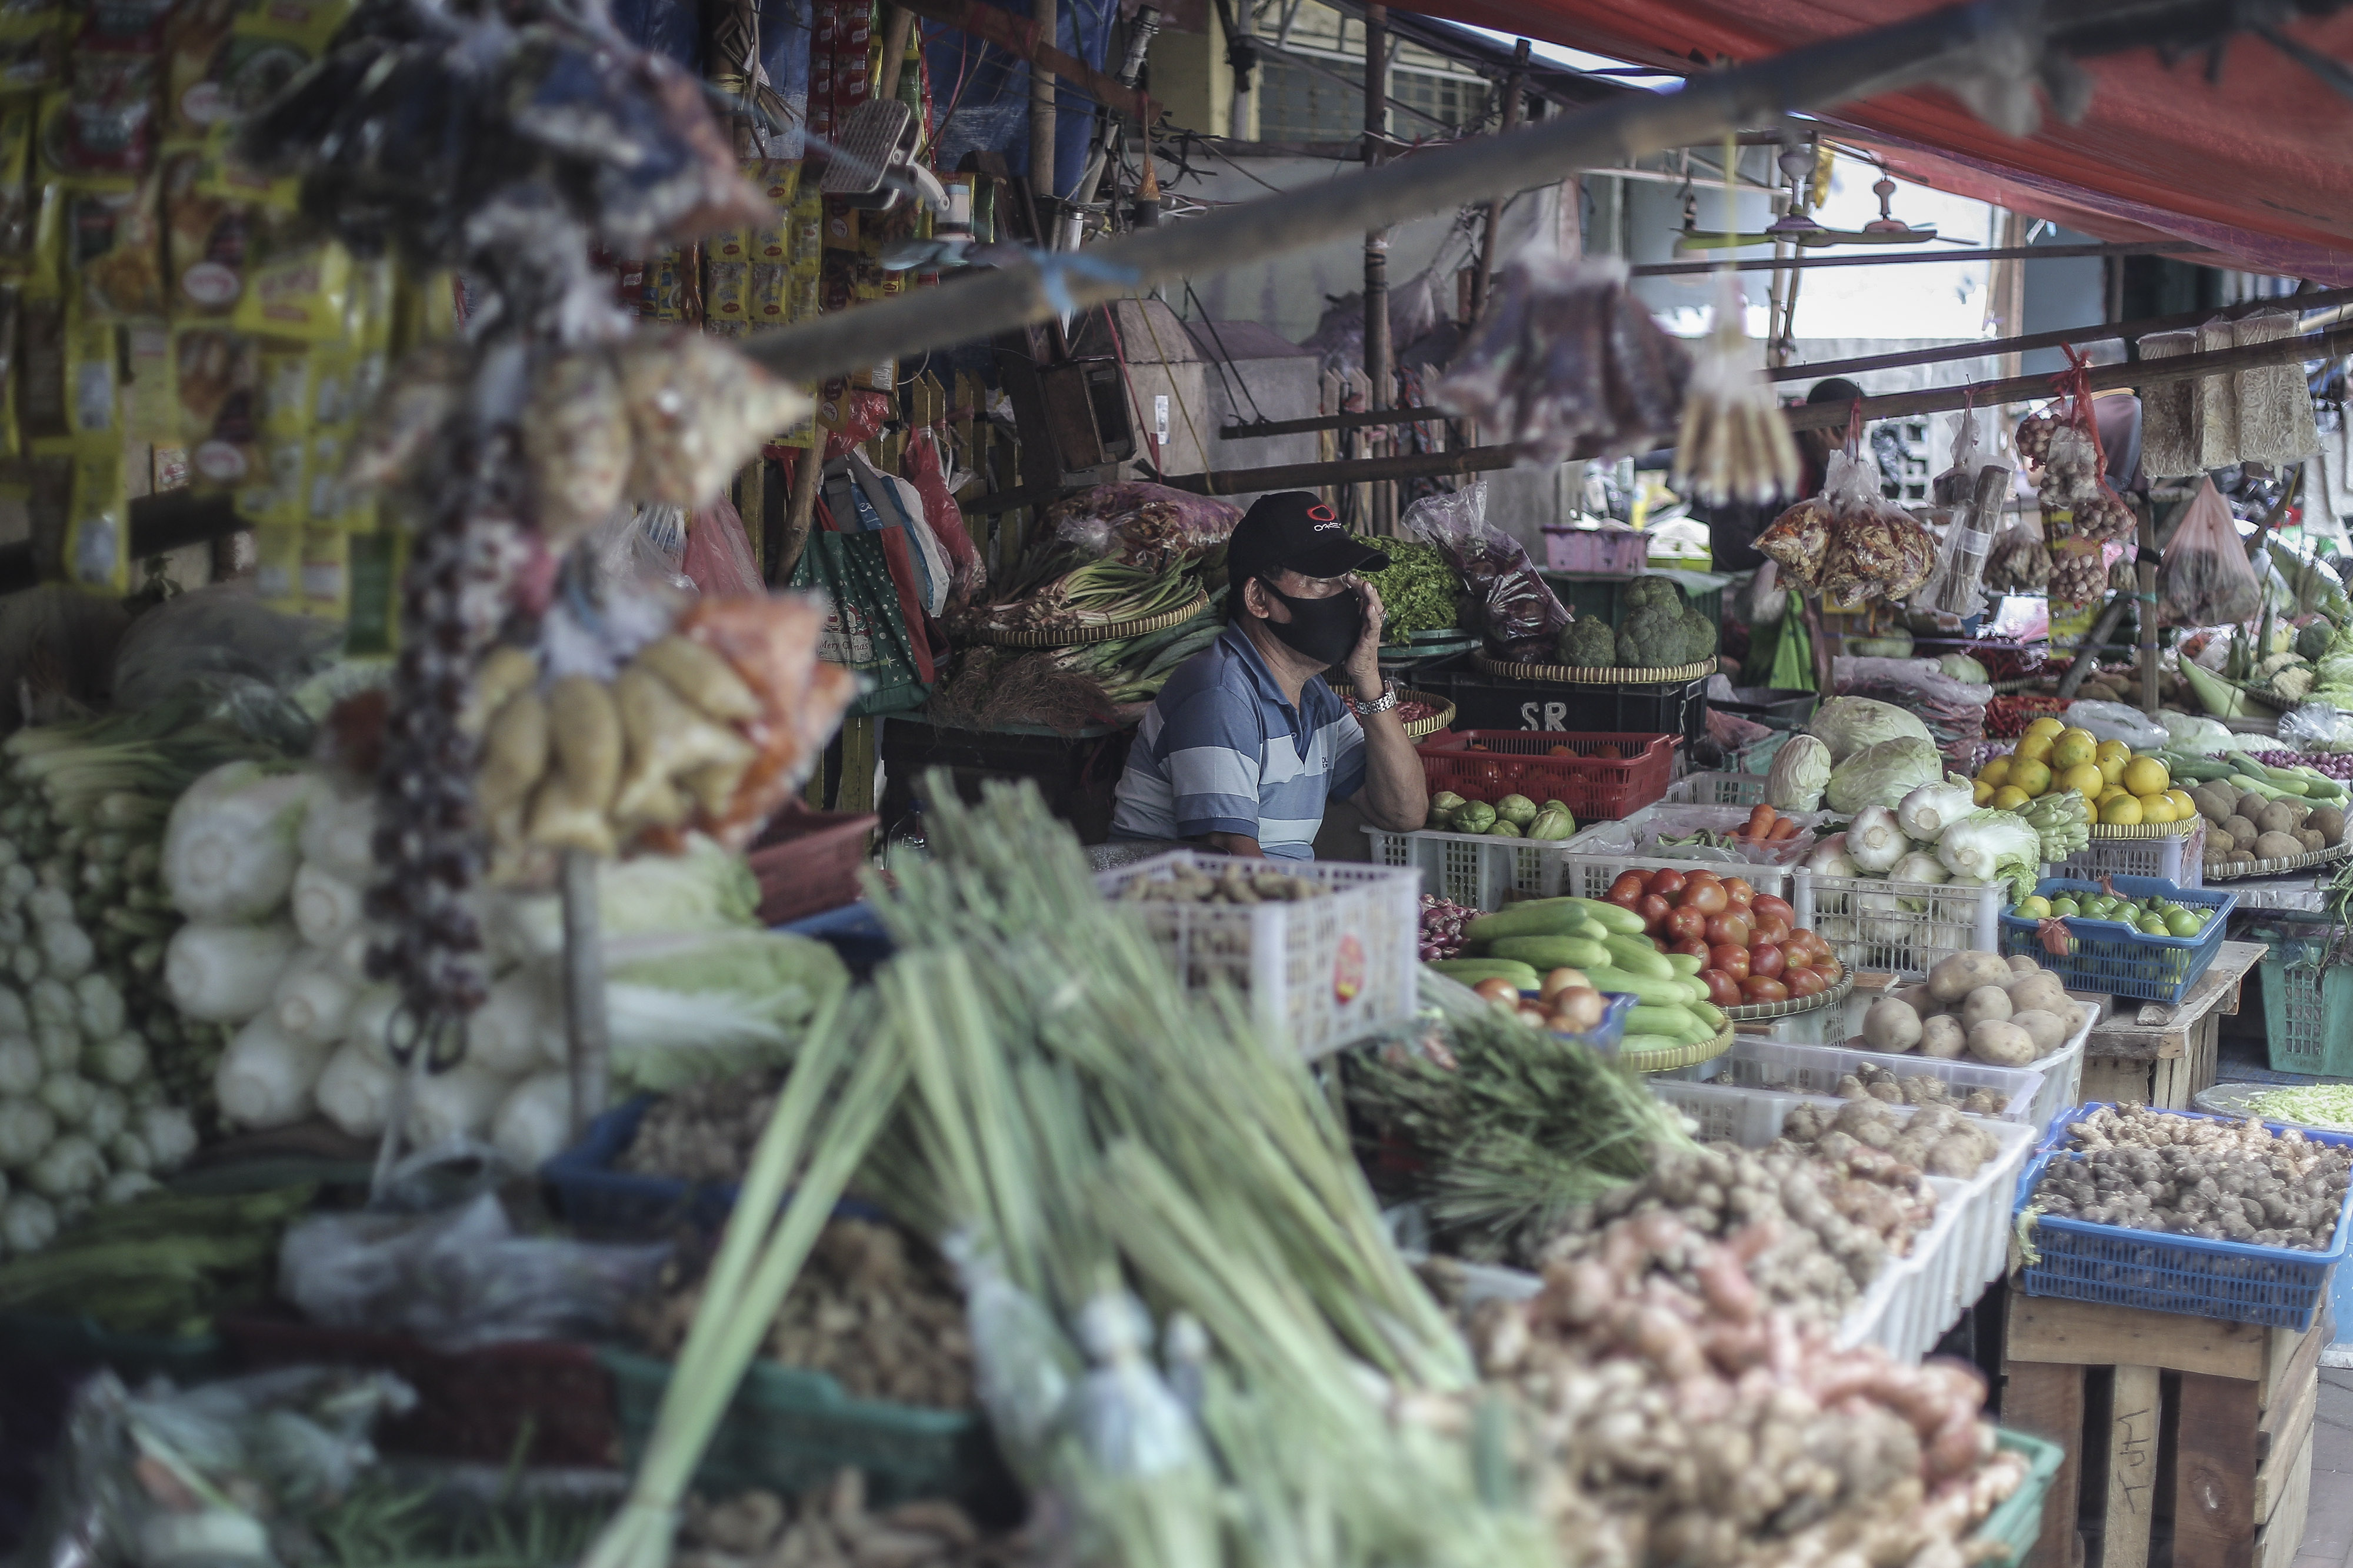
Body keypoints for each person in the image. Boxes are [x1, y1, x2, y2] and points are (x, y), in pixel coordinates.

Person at [1108, 492, 1429, 859]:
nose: (1347, 597)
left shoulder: (1314, 697)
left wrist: (1368, 677)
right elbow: (1231, 862)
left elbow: (1404, 814)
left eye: (1344, 580)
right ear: (1259, 598)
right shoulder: (1220, 695)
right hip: (1177, 908)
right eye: (1322, 581)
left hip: (1261, 904)